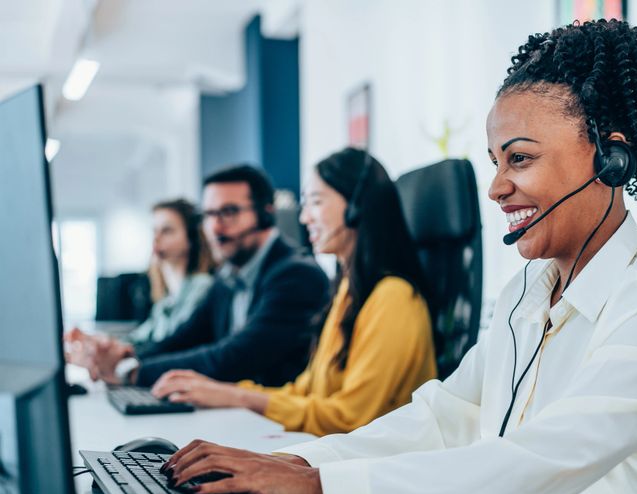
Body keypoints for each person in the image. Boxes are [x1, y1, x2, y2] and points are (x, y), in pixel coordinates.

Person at [162, 20, 637, 494]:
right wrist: (290, 459)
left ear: (609, 157)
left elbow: (541, 462)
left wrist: (319, 483)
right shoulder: (527, 296)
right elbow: (443, 415)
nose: (497, 187)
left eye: (522, 158)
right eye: (495, 162)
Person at [150, 148, 437, 437]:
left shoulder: (393, 298)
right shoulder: (349, 291)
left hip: (371, 467)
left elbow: (351, 417)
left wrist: (238, 398)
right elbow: (306, 390)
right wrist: (222, 392)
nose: (304, 218)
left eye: (315, 202)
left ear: (355, 205)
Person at [67, 165, 330, 388]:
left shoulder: (296, 275)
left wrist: (131, 370)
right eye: (209, 215)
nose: (215, 227)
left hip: (279, 428)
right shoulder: (228, 276)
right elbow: (185, 338)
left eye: (229, 212)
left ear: (265, 213)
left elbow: (234, 357)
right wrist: (126, 354)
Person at [65, 199, 214, 361]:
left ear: (191, 237)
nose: (156, 238)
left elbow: (174, 344)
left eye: (167, 231)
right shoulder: (167, 299)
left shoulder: (202, 286)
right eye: (154, 231)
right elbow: (139, 339)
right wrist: (95, 341)